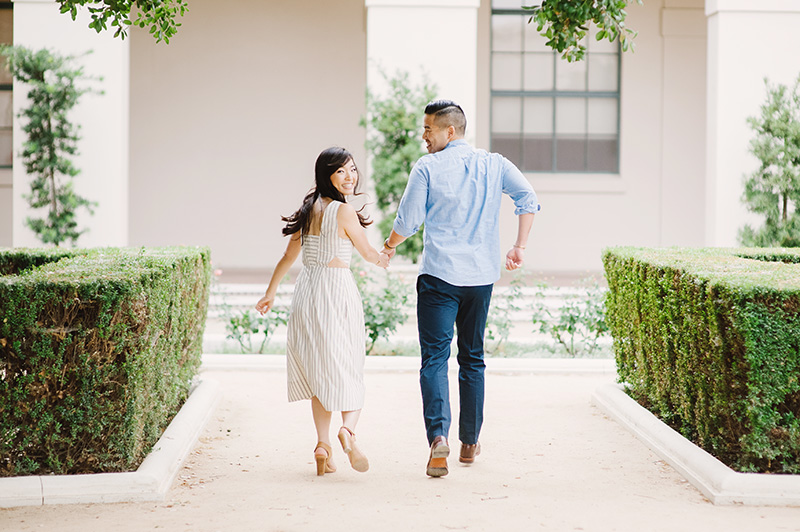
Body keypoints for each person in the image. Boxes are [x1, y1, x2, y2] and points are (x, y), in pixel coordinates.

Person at [382, 100, 540, 477]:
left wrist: (387, 247)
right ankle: (469, 443)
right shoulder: (495, 164)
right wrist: (519, 246)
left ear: (449, 131)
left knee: (435, 358)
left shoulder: (428, 168)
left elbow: (409, 221)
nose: (423, 136)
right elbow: (528, 198)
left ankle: (439, 438)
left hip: (439, 277)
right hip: (480, 278)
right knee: (473, 357)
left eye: (428, 130)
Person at [255, 147, 389, 476]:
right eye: (342, 171)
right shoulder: (343, 212)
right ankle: (348, 431)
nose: (350, 176)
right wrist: (387, 253)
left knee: (320, 374)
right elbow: (369, 253)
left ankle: (323, 445)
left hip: (307, 293)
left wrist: (270, 293)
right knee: (349, 368)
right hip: (336, 292)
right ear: (326, 175)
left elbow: (288, 257)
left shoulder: (307, 209)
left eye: (352, 170)